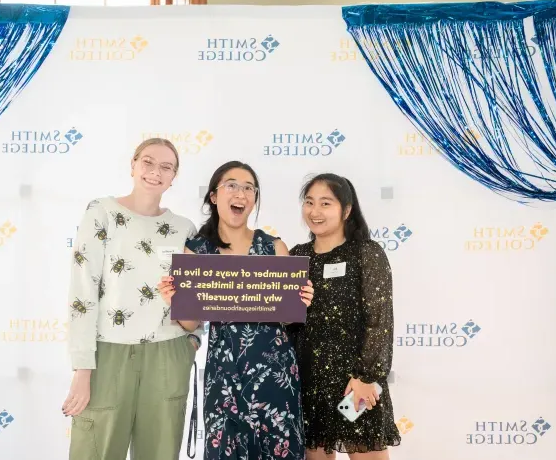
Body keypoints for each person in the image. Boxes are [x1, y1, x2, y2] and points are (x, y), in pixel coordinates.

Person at [158, 160, 314, 460]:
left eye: (248, 188)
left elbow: (287, 317)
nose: (240, 193)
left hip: (274, 372)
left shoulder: (274, 247)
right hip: (224, 376)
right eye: (231, 185)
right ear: (214, 196)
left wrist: (300, 302)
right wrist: (174, 301)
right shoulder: (197, 251)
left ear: (254, 199)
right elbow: (191, 323)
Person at [62, 138, 203, 460]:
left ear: (174, 176)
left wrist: (191, 340)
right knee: (94, 451)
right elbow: (83, 293)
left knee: (160, 453)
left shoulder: (185, 229)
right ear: (133, 165)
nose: (156, 172)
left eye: (166, 167)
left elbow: (196, 299)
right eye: (148, 162)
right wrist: (83, 369)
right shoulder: (102, 212)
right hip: (108, 354)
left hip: (169, 354)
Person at [289, 174, 401, 460]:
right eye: (309, 202)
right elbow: (286, 323)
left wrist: (366, 377)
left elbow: (380, 321)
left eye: (325, 203)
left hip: (354, 384)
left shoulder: (366, 253)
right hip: (309, 383)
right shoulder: (296, 257)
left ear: (346, 210)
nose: (315, 211)